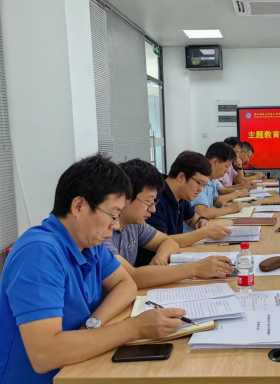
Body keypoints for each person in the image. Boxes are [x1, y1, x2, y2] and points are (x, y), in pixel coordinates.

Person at [0, 154, 186, 384]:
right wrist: (135, 328)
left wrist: (93, 324)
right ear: (79, 206)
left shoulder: (90, 244)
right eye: (112, 215)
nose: (116, 225)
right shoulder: (38, 253)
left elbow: (126, 284)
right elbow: (44, 354)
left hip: (81, 366)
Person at [105, 159, 234, 289]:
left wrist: (160, 257)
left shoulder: (135, 225)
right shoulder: (103, 233)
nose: (153, 209)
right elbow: (130, 277)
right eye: (148, 202)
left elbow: (169, 242)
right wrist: (196, 268)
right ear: (123, 197)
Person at [147, 151, 232, 245]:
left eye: (204, 185)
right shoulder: (153, 199)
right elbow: (161, 241)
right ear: (181, 177)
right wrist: (204, 232)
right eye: (199, 183)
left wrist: (201, 221)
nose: (200, 189)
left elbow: (192, 219)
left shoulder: (181, 196)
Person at [192, 142, 248, 219]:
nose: (227, 171)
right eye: (226, 166)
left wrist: (223, 205)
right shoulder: (199, 179)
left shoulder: (212, 179)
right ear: (215, 162)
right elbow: (202, 212)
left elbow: (214, 201)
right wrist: (230, 209)